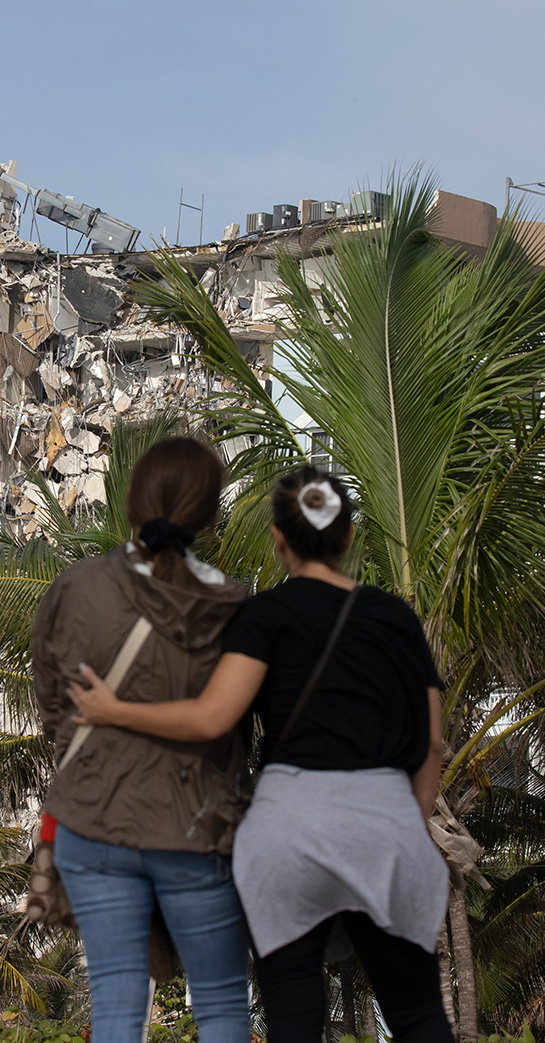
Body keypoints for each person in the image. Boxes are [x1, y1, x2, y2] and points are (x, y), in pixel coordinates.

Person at [69, 465, 452, 1043]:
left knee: (293, 1022)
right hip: (386, 823)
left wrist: (111, 711)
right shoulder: (395, 618)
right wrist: (407, 820)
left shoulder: (264, 616)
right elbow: (431, 741)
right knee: (420, 1017)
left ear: (278, 540)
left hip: (291, 830)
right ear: (348, 535)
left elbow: (211, 719)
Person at [32, 436, 253, 1043]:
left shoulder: (77, 589)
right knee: (222, 1005)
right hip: (195, 826)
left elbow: (53, 701)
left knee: (117, 1004)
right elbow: (239, 719)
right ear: (209, 515)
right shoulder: (232, 607)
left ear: (129, 500)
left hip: (93, 819)